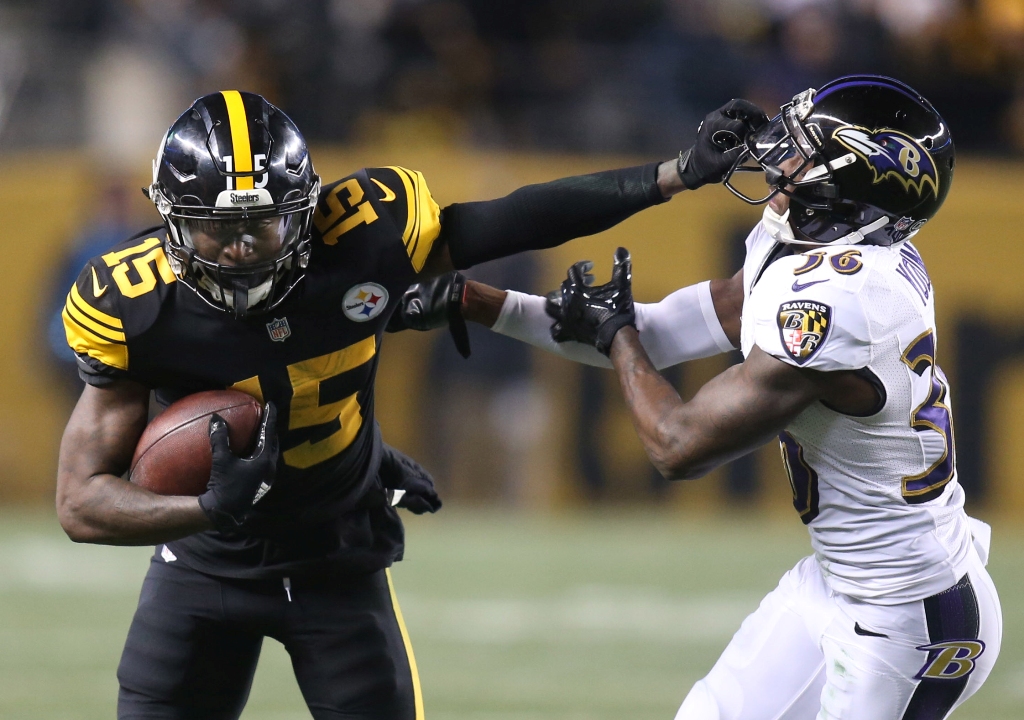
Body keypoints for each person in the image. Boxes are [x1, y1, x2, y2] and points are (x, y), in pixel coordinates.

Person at [55, 90, 767, 719]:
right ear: (173, 220)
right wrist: (207, 509)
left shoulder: (364, 234)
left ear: (305, 212)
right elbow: (80, 502)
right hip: (204, 567)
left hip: (337, 553)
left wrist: (675, 173)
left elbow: (517, 218)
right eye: (218, 228)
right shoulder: (131, 302)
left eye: (263, 226)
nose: (241, 250)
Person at [411, 76, 1002, 719]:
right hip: (839, 582)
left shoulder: (844, 300)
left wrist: (618, 340)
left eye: (805, 148)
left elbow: (678, 446)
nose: (780, 154)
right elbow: (657, 332)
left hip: (909, 615)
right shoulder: (826, 248)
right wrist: (475, 302)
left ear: (853, 178)